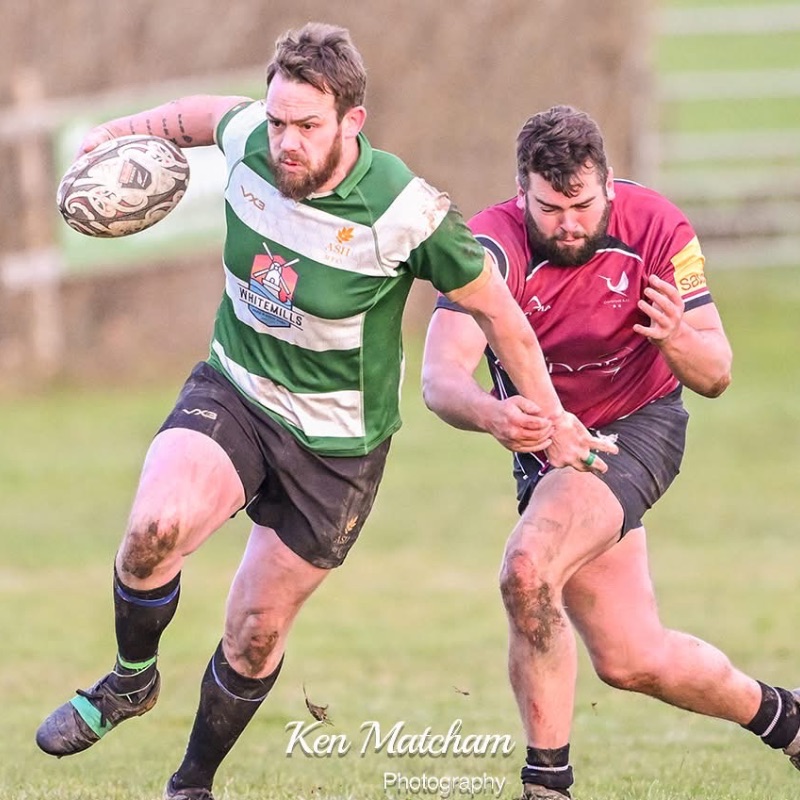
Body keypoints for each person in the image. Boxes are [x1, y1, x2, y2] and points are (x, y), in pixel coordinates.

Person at [34, 28, 617, 800]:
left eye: (306, 126)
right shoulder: (250, 139)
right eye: (278, 121)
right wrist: (116, 134)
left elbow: (501, 316)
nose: (285, 141)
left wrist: (553, 417)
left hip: (337, 449)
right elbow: (202, 115)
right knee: (153, 531)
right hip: (236, 389)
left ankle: (191, 783)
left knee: (255, 631)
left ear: (352, 121)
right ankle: (131, 682)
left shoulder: (404, 213)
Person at [421, 104, 800, 800]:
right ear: (520, 190)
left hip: (638, 424)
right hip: (550, 452)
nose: (568, 222)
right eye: (550, 207)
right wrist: (490, 412)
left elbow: (717, 373)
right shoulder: (489, 245)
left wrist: (675, 337)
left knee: (527, 569)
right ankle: (789, 721)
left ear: (610, 186)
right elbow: (440, 378)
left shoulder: (657, 228)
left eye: (583, 205)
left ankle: (546, 785)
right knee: (632, 658)